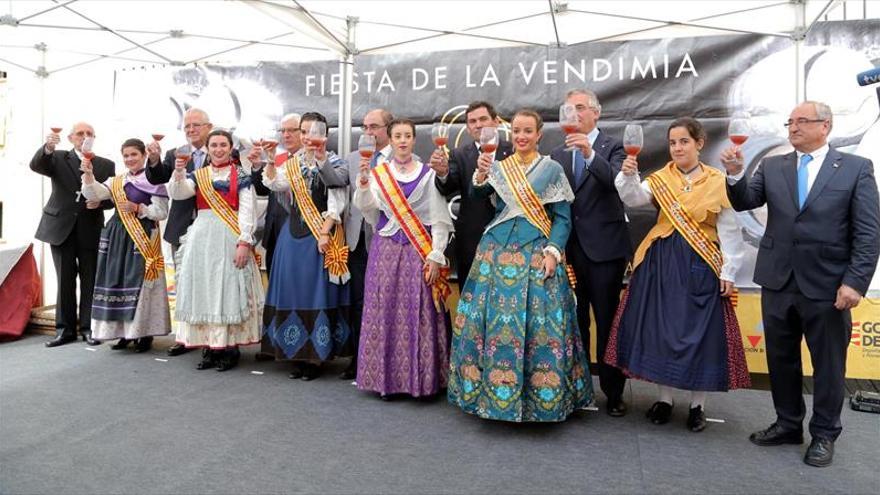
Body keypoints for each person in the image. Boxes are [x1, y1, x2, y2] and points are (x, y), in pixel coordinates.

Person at [722, 101, 880, 467]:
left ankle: (824, 434)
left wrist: (855, 282)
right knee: (781, 360)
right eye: (789, 122)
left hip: (828, 285)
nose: (792, 128)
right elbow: (747, 199)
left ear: (825, 125)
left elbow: (868, 232)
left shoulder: (856, 168)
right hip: (778, 280)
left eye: (801, 121)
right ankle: (788, 424)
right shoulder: (773, 165)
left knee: (828, 364)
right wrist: (734, 174)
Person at [605, 117, 750, 432]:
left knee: (700, 335)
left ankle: (698, 405)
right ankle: (665, 399)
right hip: (660, 262)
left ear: (699, 144)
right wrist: (628, 178)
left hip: (701, 264)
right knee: (661, 332)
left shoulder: (717, 180)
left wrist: (729, 270)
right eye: (672, 142)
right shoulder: (660, 178)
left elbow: (729, 228)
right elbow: (633, 198)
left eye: (684, 141)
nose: (677, 148)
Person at [448, 109, 592, 422]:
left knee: (540, 326)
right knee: (487, 323)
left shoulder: (552, 169)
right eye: (517, 131)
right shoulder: (500, 166)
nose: (522, 137)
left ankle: (540, 401)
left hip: (535, 251)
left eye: (528, 131)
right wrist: (482, 174)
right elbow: (478, 193)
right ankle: (485, 395)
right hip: (495, 252)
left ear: (539, 134)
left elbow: (563, 218)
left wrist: (553, 251)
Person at [353, 118, 453, 399]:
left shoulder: (428, 174)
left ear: (413, 139)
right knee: (385, 310)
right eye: (397, 135)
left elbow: (439, 218)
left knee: (419, 312)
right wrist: (362, 183)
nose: (402, 140)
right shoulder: (378, 173)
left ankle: (420, 381)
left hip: (417, 252)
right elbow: (368, 210)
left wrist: (435, 255)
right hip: (385, 251)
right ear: (391, 139)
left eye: (407, 135)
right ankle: (387, 381)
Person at [549, 89, 631, 417]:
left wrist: (589, 155)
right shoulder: (556, 153)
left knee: (608, 320)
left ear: (596, 113)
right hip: (570, 251)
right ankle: (578, 388)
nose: (575, 114)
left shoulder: (613, 147)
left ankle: (613, 392)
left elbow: (619, 184)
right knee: (574, 321)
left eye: (580, 108)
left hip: (605, 250)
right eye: (569, 109)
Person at [260, 112, 353, 381]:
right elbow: (275, 184)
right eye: (303, 131)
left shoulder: (334, 162)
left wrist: (324, 233)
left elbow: (337, 202)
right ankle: (296, 353)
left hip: (319, 237)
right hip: (292, 238)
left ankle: (315, 357)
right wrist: (269, 160)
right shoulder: (292, 164)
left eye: (312, 131)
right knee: (293, 291)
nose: (306, 136)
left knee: (316, 293)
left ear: (323, 134)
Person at [166, 129, 264, 371]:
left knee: (228, 287)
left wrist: (244, 241)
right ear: (207, 149)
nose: (218, 149)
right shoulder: (198, 175)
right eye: (214, 145)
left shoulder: (240, 174)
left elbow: (247, 210)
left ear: (231, 148)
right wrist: (178, 171)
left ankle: (230, 348)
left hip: (228, 237)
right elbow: (178, 193)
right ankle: (209, 347)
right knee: (205, 289)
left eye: (223, 145)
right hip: (202, 237)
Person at [80, 138, 171, 352]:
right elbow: (92, 194)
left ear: (144, 156)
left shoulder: (154, 181)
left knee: (140, 284)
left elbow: (162, 212)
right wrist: (89, 174)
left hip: (142, 236)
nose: (130, 159)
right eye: (126, 155)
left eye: (134, 155)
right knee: (117, 282)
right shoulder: (116, 181)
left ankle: (144, 334)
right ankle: (123, 333)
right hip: (117, 237)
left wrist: (139, 208)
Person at [31, 122, 115, 347]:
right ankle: (64, 330)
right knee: (64, 280)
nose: (84, 136)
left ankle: (89, 328)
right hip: (60, 228)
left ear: (94, 138)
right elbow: (37, 165)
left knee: (90, 280)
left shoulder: (106, 164)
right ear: (70, 138)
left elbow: (113, 198)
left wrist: (100, 201)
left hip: (90, 228)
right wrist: (47, 147)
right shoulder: (57, 157)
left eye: (89, 133)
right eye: (80, 133)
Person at [145, 108, 213, 357]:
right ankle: (184, 337)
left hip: (212, 227)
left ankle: (210, 336)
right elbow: (157, 178)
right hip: (181, 226)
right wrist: (154, 159)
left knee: (208, 282)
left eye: (196, 125)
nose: (191, 130)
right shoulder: (176, 153)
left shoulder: (222, 149)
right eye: (187, 127)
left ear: (209, 126)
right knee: (183, 284)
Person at [430, 101, 514, 286]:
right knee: (471, 297)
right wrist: (442, 173)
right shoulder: (459, 154)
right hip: (472, 241)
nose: (478, 124)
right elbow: (447, 188)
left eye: (483, 119)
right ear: (468, 128)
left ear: (496, 122)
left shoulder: (514, 151)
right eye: (473, 121)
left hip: (510, 237)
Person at [341, 108, 394, 380]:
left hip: (387, 240)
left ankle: (384, 358)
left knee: (384, 301)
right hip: (356, 238)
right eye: (365, 127)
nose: (369, 133)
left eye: (374, 127)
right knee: (358, 300)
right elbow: (335, 184)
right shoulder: (351, 159)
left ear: (388, 129)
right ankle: (357, 358)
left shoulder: (403, 158)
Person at [252, 112, 302, 363]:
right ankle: (273, 343)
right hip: (275, 231)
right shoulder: (278, 158)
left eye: (292, 130)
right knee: (274, 289)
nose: (287, 135)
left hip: (303, 234)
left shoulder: (311, 160)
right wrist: (257, 167)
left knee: (297, 289)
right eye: (283, 131)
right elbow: (261, 188)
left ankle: (298, 345)